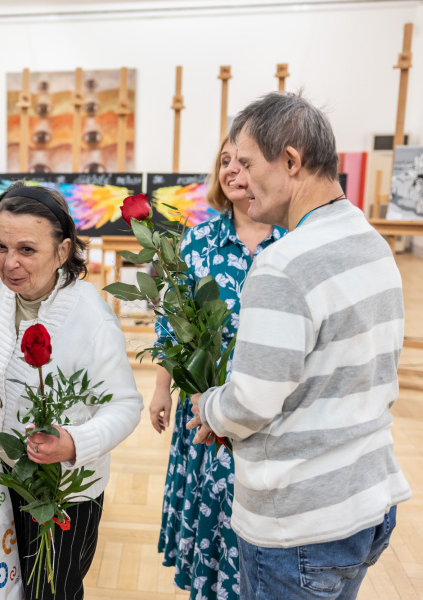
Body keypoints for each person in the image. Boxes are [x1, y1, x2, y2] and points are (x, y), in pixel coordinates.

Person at [188, 91, 412, 600]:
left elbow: (250, 403)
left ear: (291, 161)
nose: (238, 177)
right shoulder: (370, 241)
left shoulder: (284, 263)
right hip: (365, 503)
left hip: (298, 525)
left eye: (247, 163)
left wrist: (208, 407)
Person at [0, 182, 144, 599]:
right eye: (0, 246)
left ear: (63, 250)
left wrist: (74, 443)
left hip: (65, 488)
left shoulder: (92, 318)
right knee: (0, 582)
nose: (9, 263)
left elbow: (125, 405)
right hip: (4, 468)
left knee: (51, 591)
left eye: (27, 249)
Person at [151, 138, 285, 598]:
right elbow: (174, 324)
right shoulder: (198, 241)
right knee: (212, 513)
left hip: (270, 411)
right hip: (204, 407)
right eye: (224, 161)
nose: (231, 169)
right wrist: (161, 390)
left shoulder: (292, 241)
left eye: (243, 161)